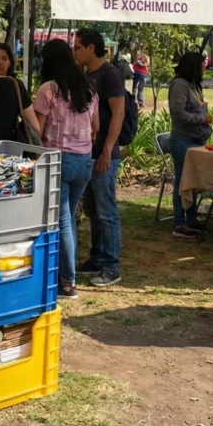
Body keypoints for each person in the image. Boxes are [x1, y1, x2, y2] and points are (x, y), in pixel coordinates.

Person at [33, 39, 98, 300]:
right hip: (84, 160)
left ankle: (67, 282)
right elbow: (96, 127)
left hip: (58, 159)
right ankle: (65, 275)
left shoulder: (48, 89)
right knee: (68, 219)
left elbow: (37, 130)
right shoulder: (88, 88)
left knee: (62, 222)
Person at [73, 28, 125, 288]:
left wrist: (107, 149)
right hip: (88, 153)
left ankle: (112, 266)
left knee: (106, 211)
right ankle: (97, 257)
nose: (75, 52)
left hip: (105, 153)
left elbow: (118, 114)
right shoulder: (87, 75)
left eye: (77, 47)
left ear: (91, 48)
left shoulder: (110, 75)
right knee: (93, 209)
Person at [167, 52, 213, 239]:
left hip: (197, 140)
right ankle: (179, 222)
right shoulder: (179, 86)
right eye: (201, 66)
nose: (204, 68)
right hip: (183, 141)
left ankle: (191, 219)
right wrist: (202, 119)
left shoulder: (194, 86)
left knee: (192, 182)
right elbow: (177, 113)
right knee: (182, 181)